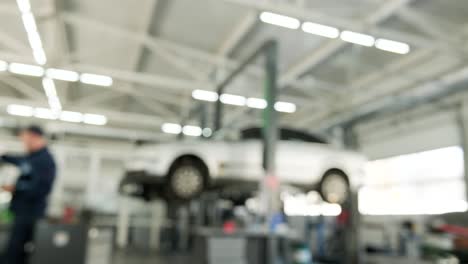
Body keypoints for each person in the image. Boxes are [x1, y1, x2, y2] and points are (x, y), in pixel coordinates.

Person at [1, 125, 56, 264]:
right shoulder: (31, 158)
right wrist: (4, 157)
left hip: (31, 213)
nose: (24, 144)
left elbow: (41, 188)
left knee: (17, 250)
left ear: (34, 137)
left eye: (25, 140)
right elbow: (18, 161)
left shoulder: (45, 161)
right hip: (21, 211)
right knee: (15, 249)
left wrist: (15, 188)